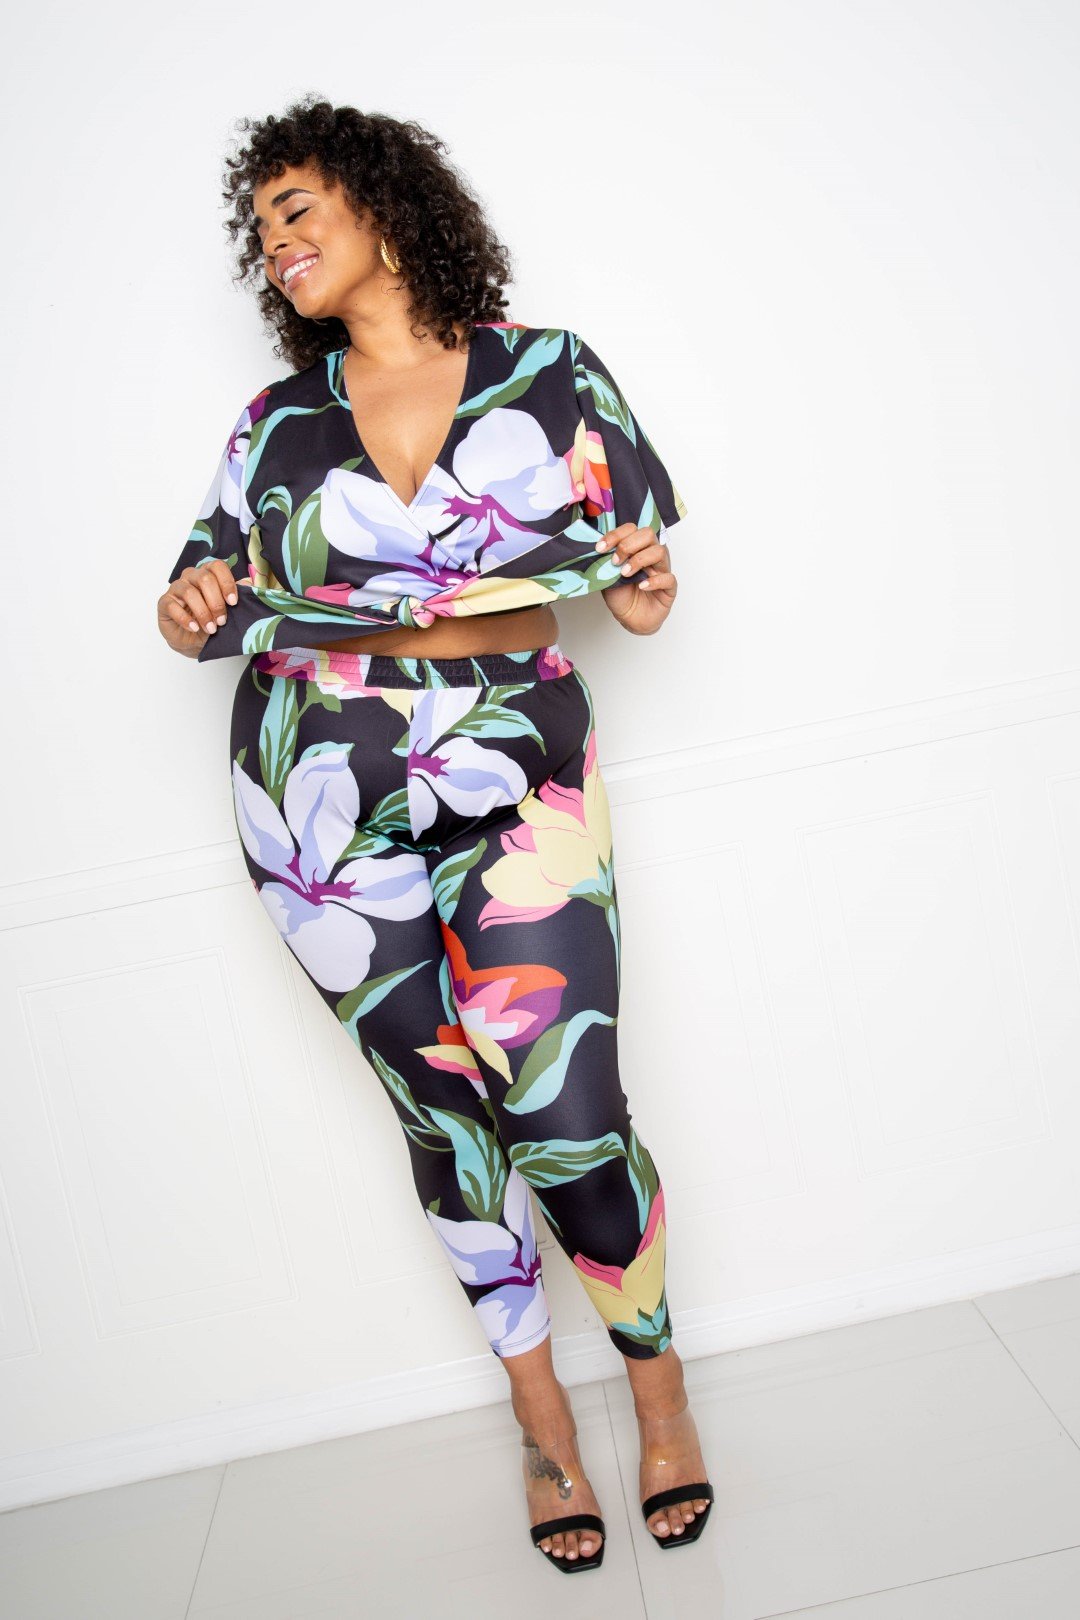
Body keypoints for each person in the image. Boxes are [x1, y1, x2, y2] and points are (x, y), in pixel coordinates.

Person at [156, 95, 713, 1572]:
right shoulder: (274, 424)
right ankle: (545, 1427)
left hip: (518, 765)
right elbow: (197, 599)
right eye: (259, 229)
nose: (275, 243)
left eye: (295, 208)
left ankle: (661, 1397)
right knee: (446, 1114)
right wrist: (189, 605)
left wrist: (644, 588)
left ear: (385, 203)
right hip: (312, 783)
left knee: (567, 1108)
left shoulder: (550, 371)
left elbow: (636, 579)